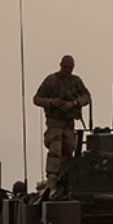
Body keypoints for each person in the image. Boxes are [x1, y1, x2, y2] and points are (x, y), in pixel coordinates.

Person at [33, 55, 91, 186]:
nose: (67, 70)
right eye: (65, 67)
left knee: (68, 151)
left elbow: (87, 97)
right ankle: (52, 177)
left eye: (70, 68)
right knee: (55, 146)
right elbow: (37, 99)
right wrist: (51, 102)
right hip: (55, 123)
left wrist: (74, 103)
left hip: (69, 123)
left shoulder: (76, 81)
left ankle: (65, 178)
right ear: (60, 65)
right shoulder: (51, 80)